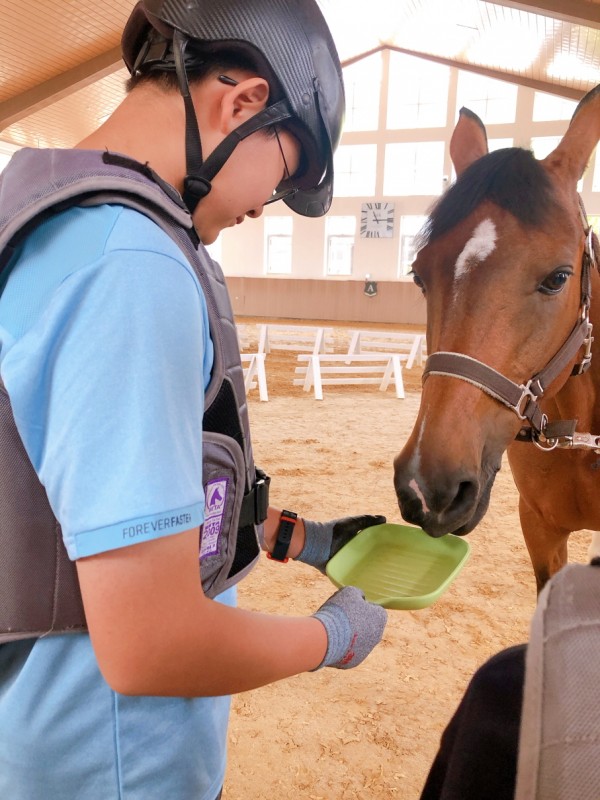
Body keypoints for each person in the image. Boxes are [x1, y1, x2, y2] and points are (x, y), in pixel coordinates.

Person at [0, 2, 388, 798]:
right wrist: (331, 637)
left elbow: (75, 496)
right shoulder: (132, 266)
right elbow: (149, 644)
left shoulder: (52, 211)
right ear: (240, 103)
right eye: (283, 174)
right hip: (112, 763)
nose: (264, 205)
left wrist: (294, 538)